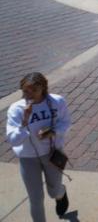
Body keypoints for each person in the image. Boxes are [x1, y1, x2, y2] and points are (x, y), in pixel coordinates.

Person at [6, 72, 71, 222]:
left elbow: (66, 123)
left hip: (52, 153)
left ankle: (61, 193)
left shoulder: (57, 101)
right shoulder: (16, 109)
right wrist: (24, 121)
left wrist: (53, 132)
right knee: (36, 198)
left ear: (43, 88)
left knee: (54, 191)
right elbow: (13, 140)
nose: (29, 95)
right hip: (28, 158)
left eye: (33, 90)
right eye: (25, 91)